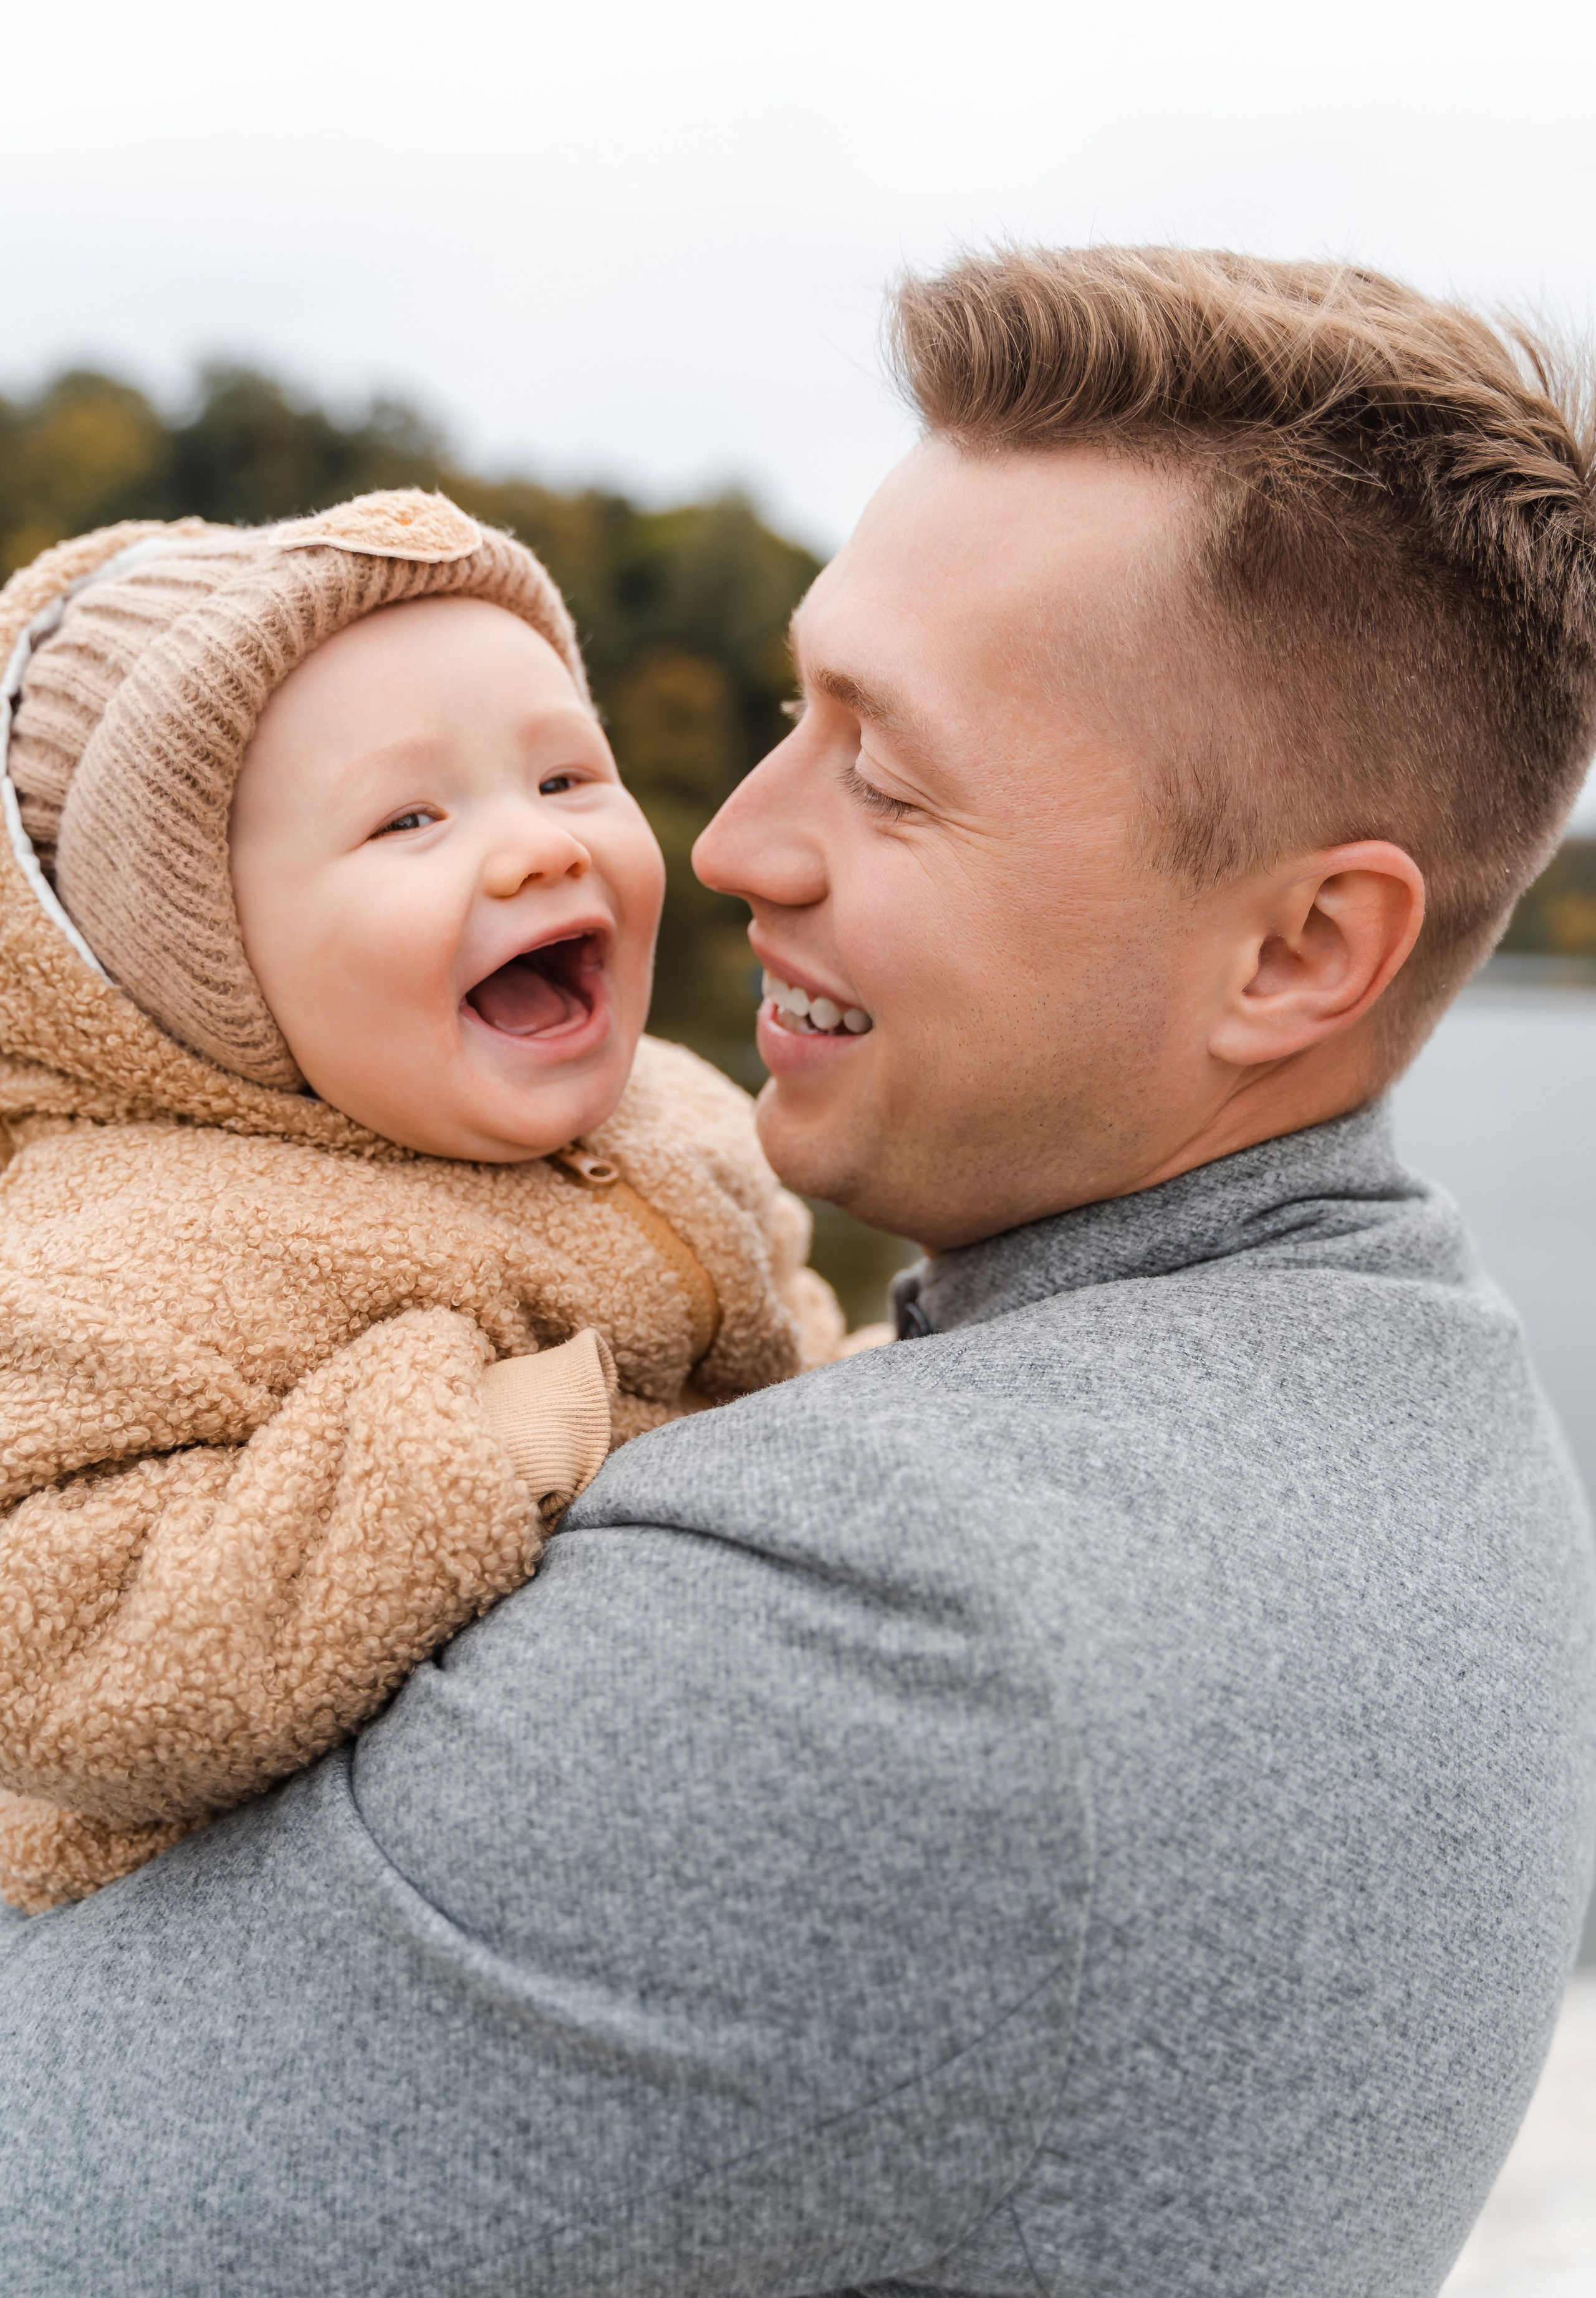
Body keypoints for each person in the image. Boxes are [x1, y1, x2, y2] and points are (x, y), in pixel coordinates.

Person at [2, 248, 1595, 2298]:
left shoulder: (882, 1619)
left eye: (890, 774)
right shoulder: (1435, 1420)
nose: (737, 844)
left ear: (1299, 953)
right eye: (790, 713)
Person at [0, 487, 840, 1914]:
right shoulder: (121, 1251)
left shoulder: (676, 1108)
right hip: (269, 1935)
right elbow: (52, 1634)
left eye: (567, 779)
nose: (537, 848)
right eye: (407, 818)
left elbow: (790, 1336)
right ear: (198, 955)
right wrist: (476, 1441)